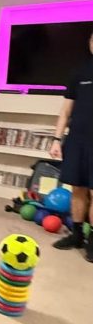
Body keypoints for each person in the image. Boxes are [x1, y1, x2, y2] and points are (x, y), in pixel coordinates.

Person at [50, 29, 93, 262]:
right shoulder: (79, 72)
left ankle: (92, 241)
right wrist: (57, 139)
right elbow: (66, 111)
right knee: (77, 188)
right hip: (77, 139)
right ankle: (76, 235)